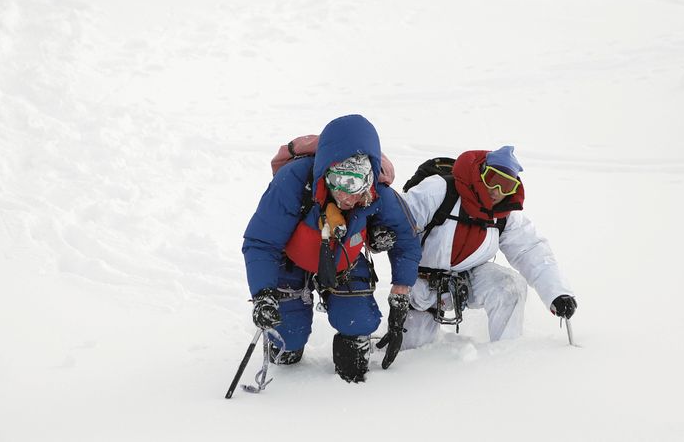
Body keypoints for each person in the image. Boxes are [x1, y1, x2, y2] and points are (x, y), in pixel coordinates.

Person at [242, 114, 420, 383]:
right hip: (291, 260)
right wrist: (263, 295)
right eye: (338, 180)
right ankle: (286, 338)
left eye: (355, 183)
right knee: (287, 344)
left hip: (343, 261)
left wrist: (399, 305)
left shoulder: (380, 194)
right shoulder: (294, 181)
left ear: (369, 178)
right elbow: (261, 241)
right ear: (325, 171)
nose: (346, 194)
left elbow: (407, 242)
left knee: (357, 340)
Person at [399, 146, 577, 349]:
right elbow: (397, 226)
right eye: (493, 179)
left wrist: (557, 293)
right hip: (421, 282)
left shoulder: (504, 214)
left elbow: (529, 250)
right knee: (412, 353)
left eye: (506, 186)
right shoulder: (438, 190)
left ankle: (504, 357)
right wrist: (401, 282)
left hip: (467, 279)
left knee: (510, 287)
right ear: (481, 173)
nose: (497, 191)